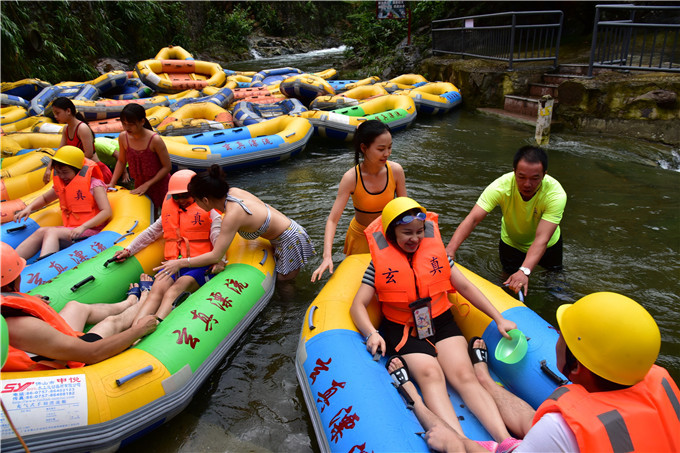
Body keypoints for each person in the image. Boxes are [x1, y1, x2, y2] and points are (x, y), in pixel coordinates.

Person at [403, 292, 680, 452]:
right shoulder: (663, 386)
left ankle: (425, 407)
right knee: (538, 420)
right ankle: (485, 379)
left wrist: (457, 445)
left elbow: (553, 435)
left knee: (458, 444)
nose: (556, 336)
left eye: (562, 334)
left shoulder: (560, 430)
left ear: (577, 365)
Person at [350, 197, 518, 444]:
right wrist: (371, 332)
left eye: (419, 232)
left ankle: (505, 441)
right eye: (406, 232)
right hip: (404, 329)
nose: (415, 239)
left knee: (463, 373)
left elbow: (466, 288)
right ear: (390, 232)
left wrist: (498, 318)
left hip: (441, 321)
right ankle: (464, 444)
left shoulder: (438, 255)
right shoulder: (378, 265)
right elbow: (358, 305)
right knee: (431, 375)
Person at [0, 242, 157, 371]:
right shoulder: (21, 326)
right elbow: (93, 353)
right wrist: (139, 330)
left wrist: (30, 302)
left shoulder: (9, 312)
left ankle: (128, 302)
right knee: (111, 322)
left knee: (75, 306)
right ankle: (145, 297)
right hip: (67, 363)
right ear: (11, 283)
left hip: (46, 348)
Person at [156, 164, 315, 281]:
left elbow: (215, 255)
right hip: (289, 230)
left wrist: (180, 263)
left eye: (196, 200)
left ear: (205, 199)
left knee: (283, 283)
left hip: (289, 239)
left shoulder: (233, 215)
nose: (195, 205)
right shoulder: (233, 193)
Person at [445, 146, 566, 296]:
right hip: (511, 242)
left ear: (544, 175)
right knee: (507, 284)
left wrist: (525, 271)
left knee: (555, 282)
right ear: (514, 172)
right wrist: (450, 249)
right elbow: (473, 219)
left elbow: (542, 238)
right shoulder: (501, 187)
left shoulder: (555, 194)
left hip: (548, 245)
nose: (527, 184)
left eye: (535, 178)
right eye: (521, 177)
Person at [112, 170, 223, 322]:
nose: (181, 200)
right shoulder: (170, 211)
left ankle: (156, 323)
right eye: (177, 196)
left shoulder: (210, 212)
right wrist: (128, 250)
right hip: (173, 264)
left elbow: (219, 241)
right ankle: (135, 329)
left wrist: (220, 261)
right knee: (157, 289)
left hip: (200, 264)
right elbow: (151, 233)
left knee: (174, 291)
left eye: (186, 195)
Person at [311, 120, 407, 282]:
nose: (387, 153)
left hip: (387, 235)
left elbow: (405, 210)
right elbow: (333, 220)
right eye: (381, 149)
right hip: (361, 237)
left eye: (390, 147)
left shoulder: (396, 171)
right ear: (364, 148)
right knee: (359, 283)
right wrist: (327, 256)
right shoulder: (351, 178)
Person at [14, 146, 112, 260]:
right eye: (58, 172)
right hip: (71, 231)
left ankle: (44, 269)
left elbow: (106, 211)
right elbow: (45, 198)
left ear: (77, 169)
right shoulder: (64, 184)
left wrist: (83, 227)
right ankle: (11, 263)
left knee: (52, 232)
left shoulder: (94, 184)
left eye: (65, 172)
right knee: (41, 231)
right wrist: (29, 208)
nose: (61, 176)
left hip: (91, 232)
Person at [107, 103, 171, 213]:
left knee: (164, 215)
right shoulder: (123, 137)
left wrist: (147, 184)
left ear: (142, 122)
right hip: (139, 184)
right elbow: (122, 161)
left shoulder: (154, 140)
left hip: (160, 184)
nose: (127, 127)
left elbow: (167, 167)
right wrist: (112, 182)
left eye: (131, 124)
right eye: (124, 124)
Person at [43, 96, 113, 184]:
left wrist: (68, 165)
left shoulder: (82, 128)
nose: (55, 116)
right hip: (81, 170)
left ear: (68, 111)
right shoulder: (66, 129)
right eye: (54, 113)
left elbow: (88, 154)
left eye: (58, 113)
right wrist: (49, 168)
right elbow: (59, 150)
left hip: (96, 171)